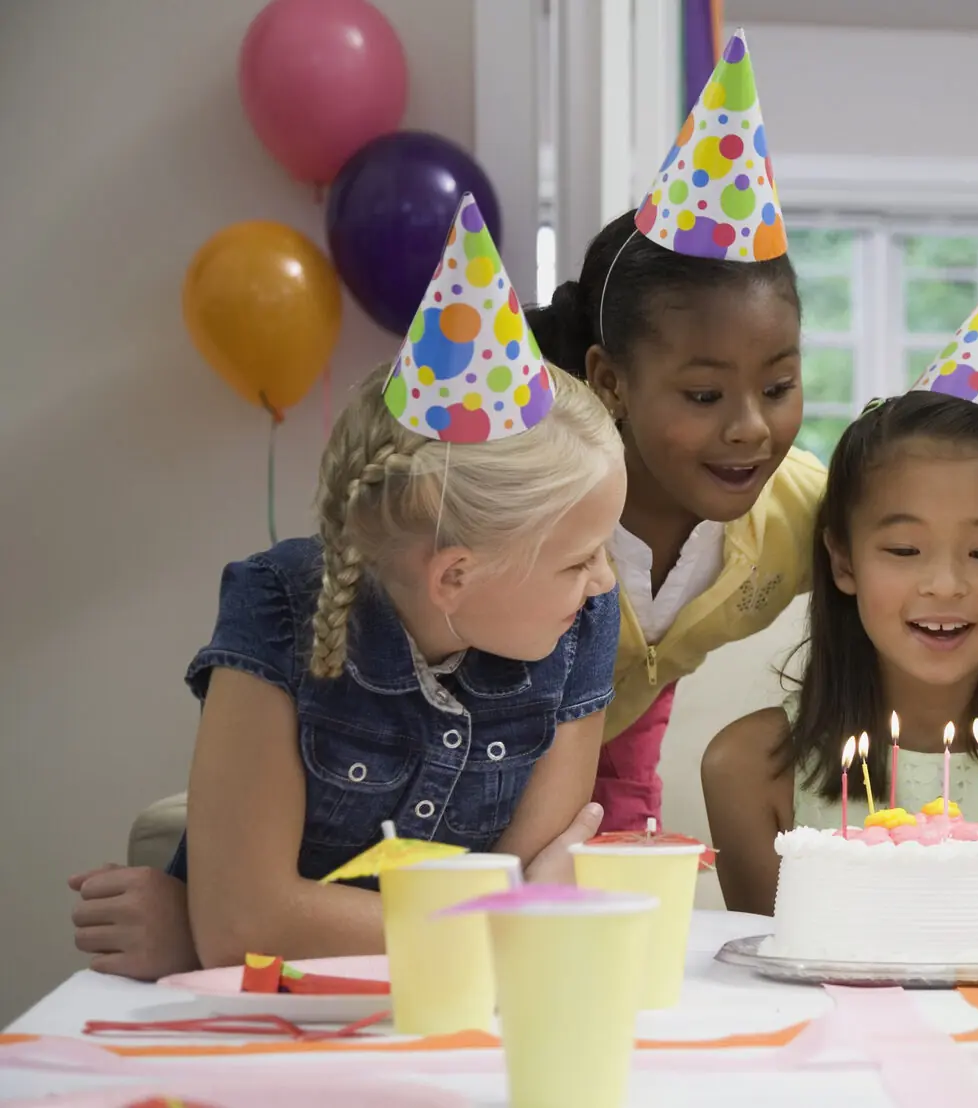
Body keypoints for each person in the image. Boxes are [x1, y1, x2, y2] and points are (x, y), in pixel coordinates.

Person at [117, 199, 620, 971]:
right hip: (254, 1018)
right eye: (580, 558)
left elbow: (522, 898)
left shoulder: (580, 621)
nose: (603, 580)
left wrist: (264, 924)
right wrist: (501, 920)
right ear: (455, 574)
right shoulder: (279, 605)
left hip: (443, 1006)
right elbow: (242, 926)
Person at [704, 239, 978, 927]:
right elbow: (775, 978)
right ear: (843, 561)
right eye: (904, 548)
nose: (943, 585)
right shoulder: (748, 769)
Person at [527, 28, 824, 833]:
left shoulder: (803, 514)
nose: (751, 429)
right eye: (702, 395)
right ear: (609, 379)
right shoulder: (519, 496)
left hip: (615, 742)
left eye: (779, 386)